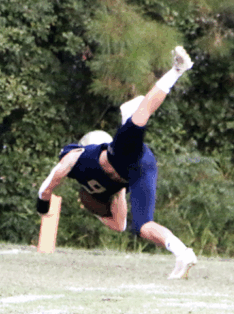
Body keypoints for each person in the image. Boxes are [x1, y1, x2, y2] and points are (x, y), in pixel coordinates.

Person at [36, 46, 199, 280]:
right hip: (139, 171)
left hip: (125, 158)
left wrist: (43, 199)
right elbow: (119, 225)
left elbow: (56, 175)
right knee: (143, 226)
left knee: (139, 117)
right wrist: (116, 196)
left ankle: (177, 70)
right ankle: (182, 253)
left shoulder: (82, 157)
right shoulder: (100, 186)